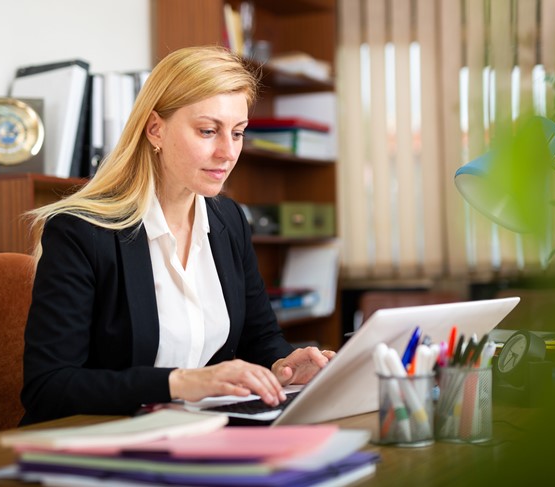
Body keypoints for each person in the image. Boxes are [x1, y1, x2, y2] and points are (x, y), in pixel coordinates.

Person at [20, 45, 335, 425]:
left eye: (237, 133)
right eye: (208, 131)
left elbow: (259, 337)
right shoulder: (81, 231)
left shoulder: (229, 220)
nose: (227, 152)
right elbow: (49, 388)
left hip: (201, 436)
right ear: (156, 128)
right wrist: (182, 383)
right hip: (105, 442)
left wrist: (284, 364)